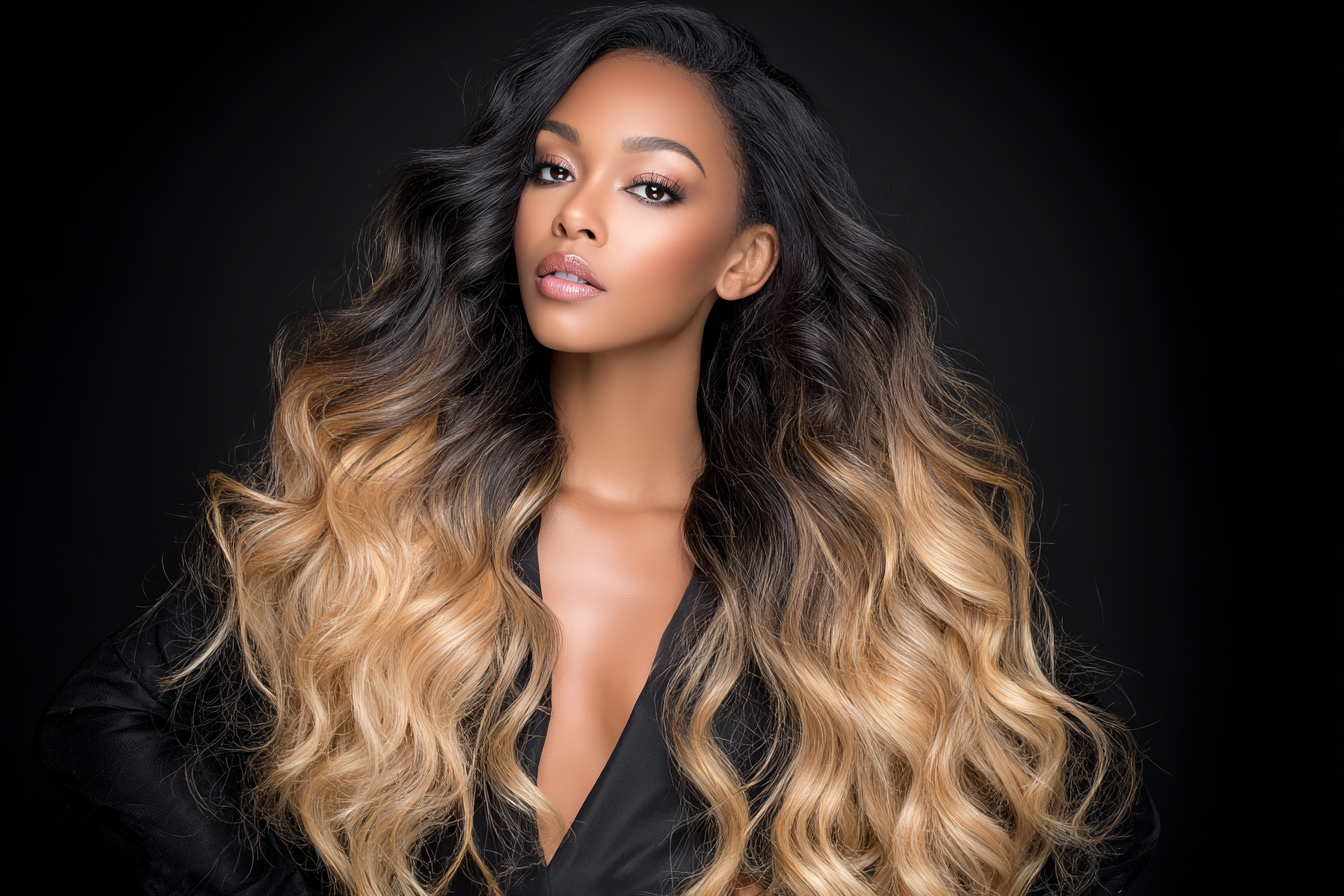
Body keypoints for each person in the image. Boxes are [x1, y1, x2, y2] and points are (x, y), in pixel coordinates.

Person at [38, 6, 1157, 895]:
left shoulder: (850, 565)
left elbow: (1056, 841)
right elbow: (101, 721)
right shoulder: (394, 507)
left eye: (654, 186)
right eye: (553, 169)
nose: (576, 215)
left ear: (744, 260)